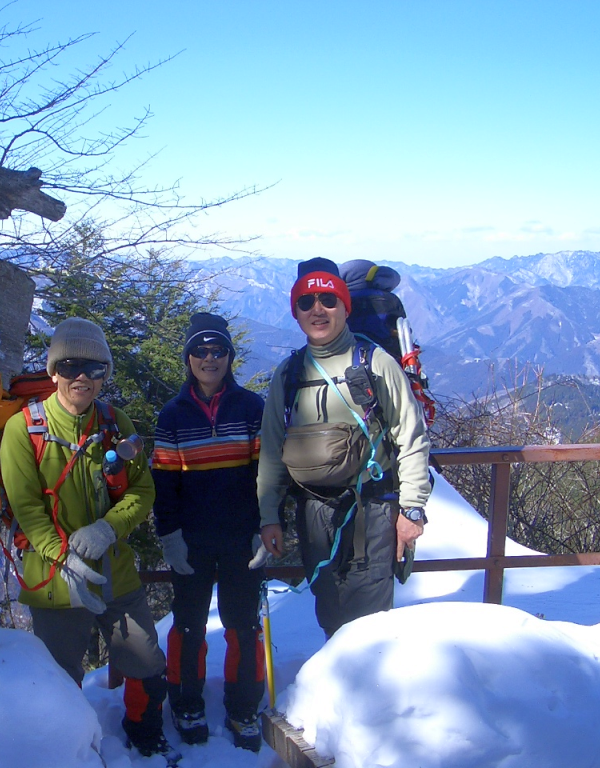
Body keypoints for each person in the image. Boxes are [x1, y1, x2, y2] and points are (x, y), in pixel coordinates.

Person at [0, 317, 175, 760]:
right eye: (72, 365)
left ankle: (145, 734)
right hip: (54, 583)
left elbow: (142, 490)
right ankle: (71, 751)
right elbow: (29, 511)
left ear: (104, 376)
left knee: (145, 658)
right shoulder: (23, 430)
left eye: (95, 369)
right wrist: (65, 557)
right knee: (60, 676)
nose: (83, 377)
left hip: (115, 568)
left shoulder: (115, 423)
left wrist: (106, 528)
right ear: (54, 370)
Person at [256, 258, 432, 639]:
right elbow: (271, 449)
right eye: (307, 302)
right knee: (330, 612)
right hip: (313, 511)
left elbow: (411, 435)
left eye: (328, 300)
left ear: (345, 307)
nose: (317, 309)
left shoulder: (375, 362)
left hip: (373, 510)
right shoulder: (287, 375)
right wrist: (269, 515)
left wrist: (412, 509)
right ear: (296, 312)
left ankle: (373, 697)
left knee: (370, 625)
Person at [151, 312, 267, 752]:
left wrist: (265, 526)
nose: (209, 358)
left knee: (243, 625)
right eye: (200, 350)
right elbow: (164, 481)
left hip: (241, 538)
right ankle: (186, 702)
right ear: (188, 358)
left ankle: (243, 706)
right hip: (193, 540)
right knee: (188, 626)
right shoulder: (173, 415)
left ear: (229, 357)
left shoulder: (251, 408)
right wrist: (169, 535)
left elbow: (265, 473)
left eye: (218, 350)